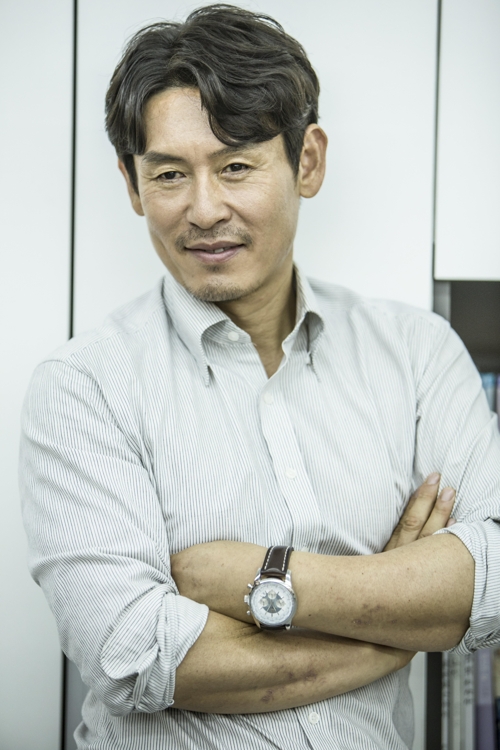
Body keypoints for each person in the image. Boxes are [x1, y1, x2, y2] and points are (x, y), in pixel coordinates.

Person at [20, 4, 500, 749]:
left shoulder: (418, 353)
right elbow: (130, 655)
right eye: (169, 174)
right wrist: (397, 616)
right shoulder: (84, 387)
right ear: (132, 184)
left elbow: (495, 576)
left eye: (236, 166)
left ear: (307, 161)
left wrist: (260, 576)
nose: (204, 209)